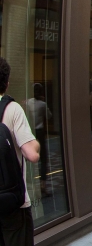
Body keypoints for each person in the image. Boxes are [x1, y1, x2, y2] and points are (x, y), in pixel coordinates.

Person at [0, 57, 41, 246]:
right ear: (6, 84)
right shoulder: (12, 108)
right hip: (12, 203)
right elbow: (31, 155)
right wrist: (37, 145)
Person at [25, 83, 51, 197]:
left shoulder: (28, 102)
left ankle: (30, 185)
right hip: (39, 132)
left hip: (30, 132)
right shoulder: (42, 104)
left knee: (29, 158)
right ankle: (43, 185)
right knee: (43, 159)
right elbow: (49, 116)